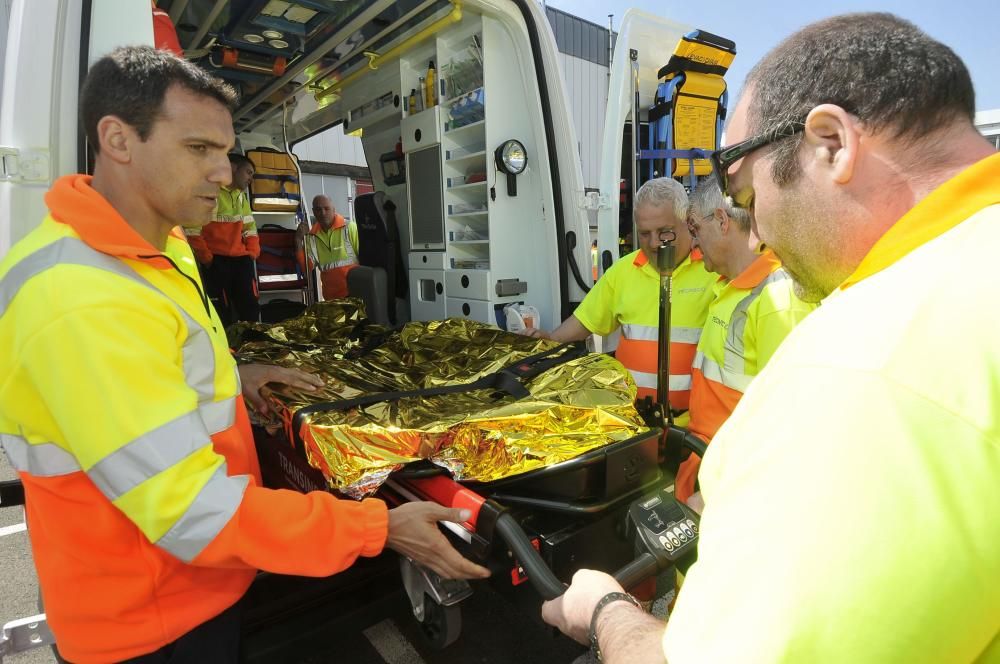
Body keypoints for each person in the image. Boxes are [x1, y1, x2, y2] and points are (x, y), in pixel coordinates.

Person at [0, 46, 488, 664]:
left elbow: (158, 369)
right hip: (148, 623)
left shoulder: (155, 243)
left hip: (189, 588)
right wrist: (378, 527)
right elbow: (192, 511)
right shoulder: (80, 299)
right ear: (118, 140)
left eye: (223, 153)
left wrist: (237, 377)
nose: (225, 175)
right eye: (198, 149)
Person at [541, 13, 999, 662]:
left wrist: (606, 614)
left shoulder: (868, 368)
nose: (754, 235)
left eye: (748, 196)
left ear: (831, 143)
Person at [525, 178, 716, 419]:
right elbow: (586, 321)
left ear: (688, 223)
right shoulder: (624, 271)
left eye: (665, 232)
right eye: (645, 234)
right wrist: (551, 339)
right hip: (633, 418)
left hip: (693, 423)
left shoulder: (713, 270)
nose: (655, 243)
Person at [674, 180, 814, 505]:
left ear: (722, 221)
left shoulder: (777, 299)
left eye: (695, 229)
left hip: (730, 491)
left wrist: (713, 497)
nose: (693, 245)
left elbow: (787, 424)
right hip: (706, 469)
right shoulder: (730, 288)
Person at [184, 153, 261, 325]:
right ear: (233, 167)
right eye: (248, 172)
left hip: (241, 261)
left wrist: (253, 252)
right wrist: (208, 259)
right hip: (217, 262)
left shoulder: (241, 197)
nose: (251, 179)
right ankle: (227, 350)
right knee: (221, 312)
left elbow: (250, 228)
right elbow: (192, 230)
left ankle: (254, 347)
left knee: (250, 308)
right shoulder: (210, 193)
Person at [300, 194, 359, 301]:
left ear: (334, 209)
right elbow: (306, 268)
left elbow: (365, 260)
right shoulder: (311, 236)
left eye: (326, 208)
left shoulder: (349, 228)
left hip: (354, 294)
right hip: (331, 299)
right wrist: (297, 242)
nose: (323, 213)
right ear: (313, 212)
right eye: (318, 209)